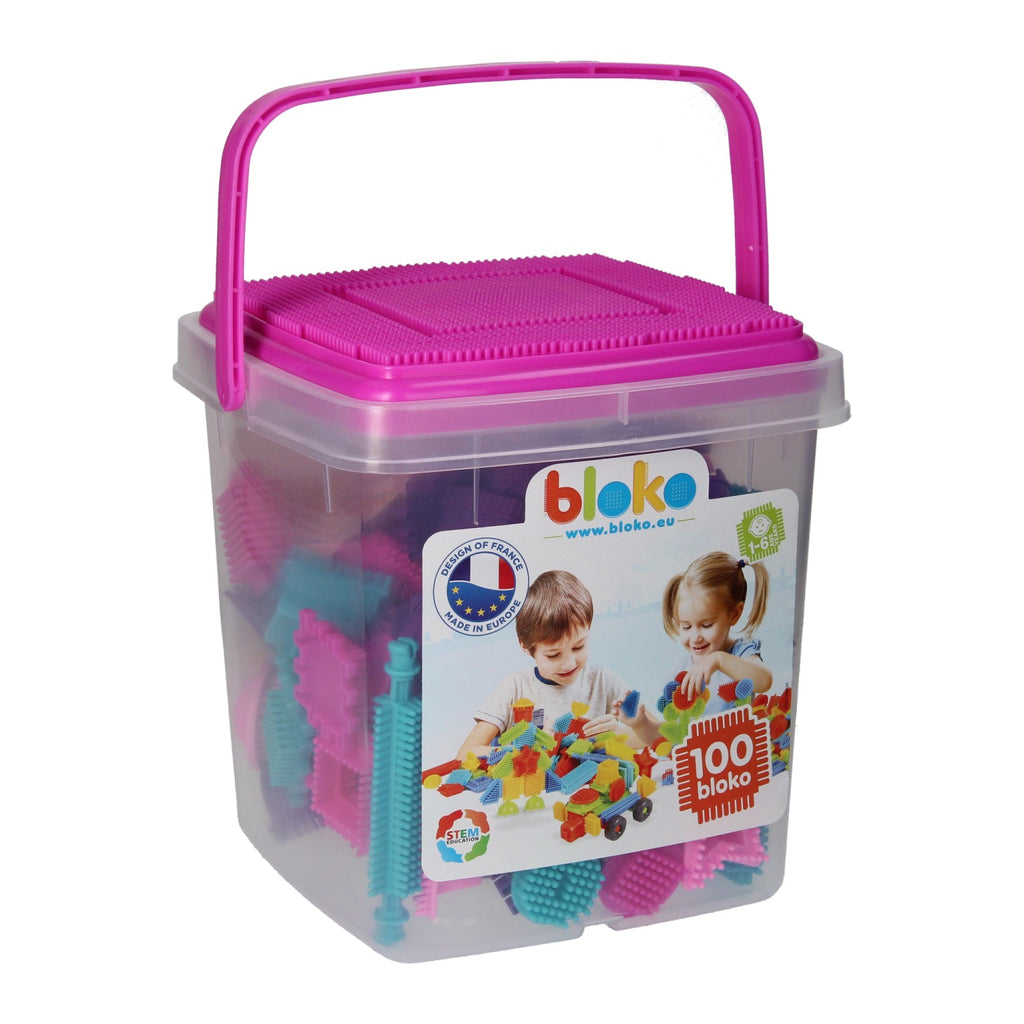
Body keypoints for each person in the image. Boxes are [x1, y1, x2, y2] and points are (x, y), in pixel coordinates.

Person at [458, 570, 660, 759]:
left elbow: (661, 739)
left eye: (578, 647)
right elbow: (467, 753)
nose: (569, 664)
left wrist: (635, 726)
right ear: (526, 647)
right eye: (553, 655)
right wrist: (529, 749)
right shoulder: (514, 687)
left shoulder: (603, 681)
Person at [662, 552, 773, 702]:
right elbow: (674, 716)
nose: (695, 638)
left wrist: (719, 660)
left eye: (706, 625)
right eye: (686, 627)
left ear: (734, 614)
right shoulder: (681, 668)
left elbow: (765, 681)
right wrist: (643, 716)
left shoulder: (742, 652)